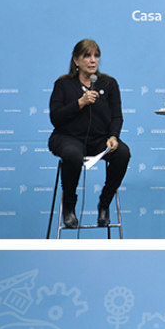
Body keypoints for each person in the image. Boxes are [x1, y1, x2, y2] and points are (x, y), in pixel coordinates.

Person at [49, 39, 131, 229]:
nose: (93, 60)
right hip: (67, 137)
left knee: (123, 153)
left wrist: (113, 137)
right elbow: (55, 118)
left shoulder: (109, 84)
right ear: (76, 61)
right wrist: (80, 103)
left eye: (96, 56)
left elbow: (117, 116)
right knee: (72, 154)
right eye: (87, 56)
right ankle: (69, 206)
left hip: (99, 139)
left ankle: (104, 203)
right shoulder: (63, 84)